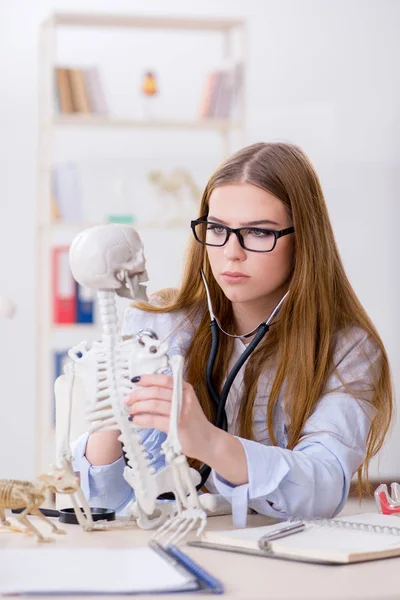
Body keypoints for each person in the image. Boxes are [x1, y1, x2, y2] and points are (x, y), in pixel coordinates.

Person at [72, 142, 393, 526]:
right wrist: (111, 414)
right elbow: (103, 501)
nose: (232, 252)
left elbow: (322, 488)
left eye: (259, 232)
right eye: (218, 229)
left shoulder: (348, 349)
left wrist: (207, 440)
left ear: (304, 241)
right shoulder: (158, 324)